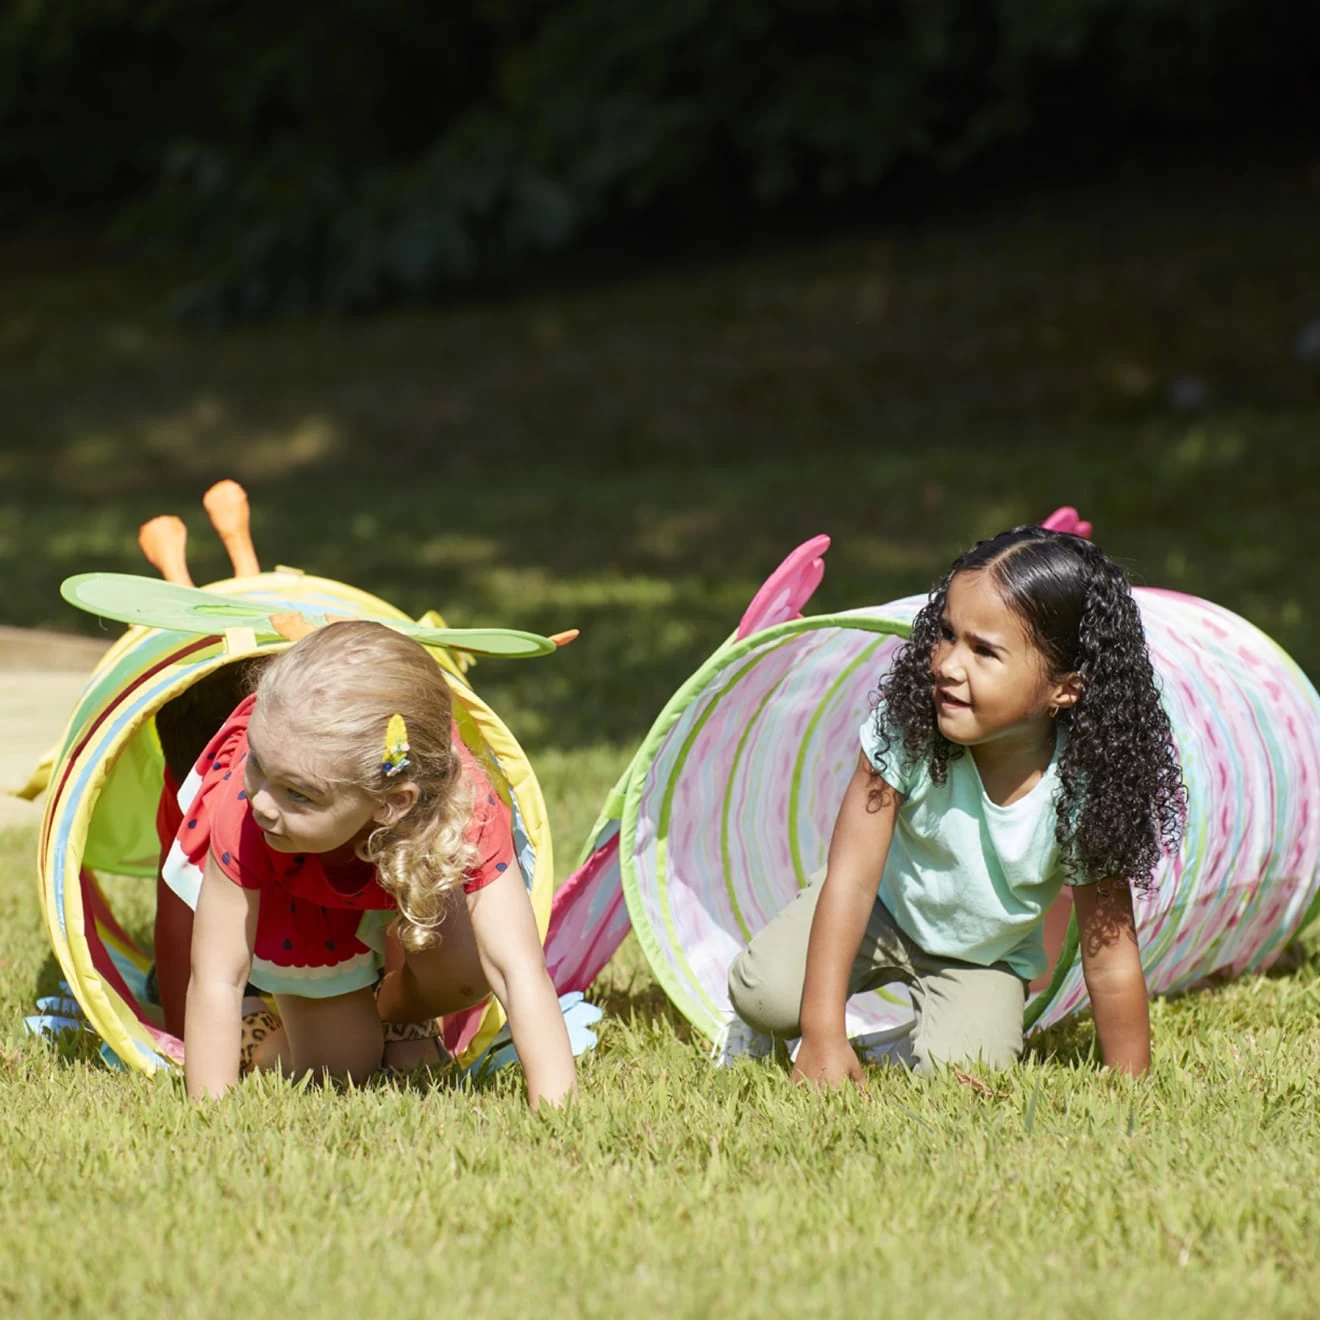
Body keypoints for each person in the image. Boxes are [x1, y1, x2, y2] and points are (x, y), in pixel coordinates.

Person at [725, 526, 1186, 1084]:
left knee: (965, 1074)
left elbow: (1109, 957)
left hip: (981, 956)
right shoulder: (909, 728)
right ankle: (779, 1029)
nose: (946, 664)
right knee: (765, 993)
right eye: (946, 634)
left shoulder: (1085, 785)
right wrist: (822, 1033)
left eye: (984, 651)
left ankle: (892, 1045)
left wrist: (1130, 1084)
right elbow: (849, 881)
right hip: (878, 909)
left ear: (1065, 688)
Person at [176, 620, 575, 1109]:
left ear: (392, 803)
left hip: (402, 855)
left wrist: (557, 1112)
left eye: (299, 793)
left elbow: (518, 970)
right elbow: (217, 976)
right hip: (299, 896)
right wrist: (209, 1112)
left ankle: (397, 1015)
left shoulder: (464, 811)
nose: (262, 801)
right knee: (339, 1071)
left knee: (465, 972)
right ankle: (255, 1025)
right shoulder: (249, 807)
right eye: (257, 763)